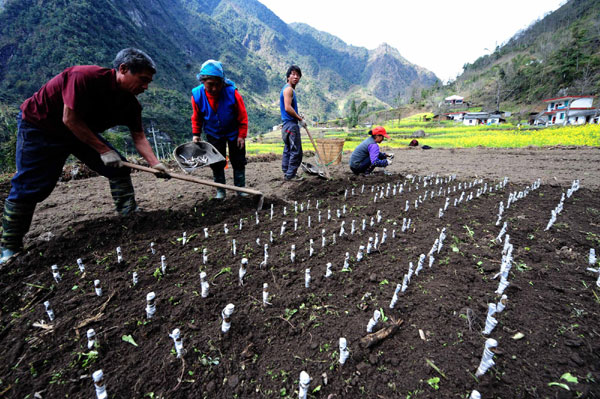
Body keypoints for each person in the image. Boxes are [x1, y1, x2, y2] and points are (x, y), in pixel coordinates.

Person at [0, 48, 169, 264]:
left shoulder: (131, 104)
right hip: (41, 126)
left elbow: (139, 137)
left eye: (148, 82)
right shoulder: (83, 77)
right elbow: (69, 119)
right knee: (29, 186)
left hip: (81, 133)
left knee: (118, 168)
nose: (145, 87)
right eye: (142, 80)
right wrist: (104, 150)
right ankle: (9, 248)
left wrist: (156, 164)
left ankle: (129, 215)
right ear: (123, 69)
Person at [191, 60, 248, 199]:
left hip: (234, 132)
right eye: (210, 84)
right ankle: (221, 191)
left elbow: (242, 115)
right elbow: (196, 117)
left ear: (222, 82)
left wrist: (241, 135)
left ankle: (240, 189)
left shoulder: (232, 93)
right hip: (213, 133)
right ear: (203, 81)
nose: (215, 88)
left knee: (238, 160)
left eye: (218, 84)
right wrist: (196, 134)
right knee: (216, 162)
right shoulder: (197, 95)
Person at [280, 65, 306, 181]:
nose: (296, 77)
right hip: (291, 125)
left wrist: (299, 116)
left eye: (298, 75)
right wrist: (300, 119)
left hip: (286, 125)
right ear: (288, 76)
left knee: (288, 149)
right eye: (293, 74)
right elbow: (287, 108)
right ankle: (291, 175)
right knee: (296, 151)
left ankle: (286, 171)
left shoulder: (287, 89)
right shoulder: (289, 89)